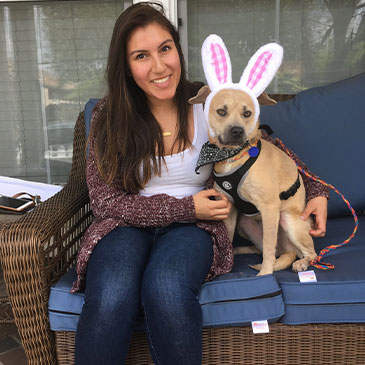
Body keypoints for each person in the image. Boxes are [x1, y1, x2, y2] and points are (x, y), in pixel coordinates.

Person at [72, 2, 329, 364]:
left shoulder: (207, 102)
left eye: (165, 49)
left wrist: (316, 191)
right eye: (141, 56)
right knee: (113, 292)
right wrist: (186, 206)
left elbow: (264, 148)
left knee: (166, 288)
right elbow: (104, 202)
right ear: (126, 67)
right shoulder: (109, 116)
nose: (159, 66)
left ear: (178, 50)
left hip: (196, 228)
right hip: (123, 226)